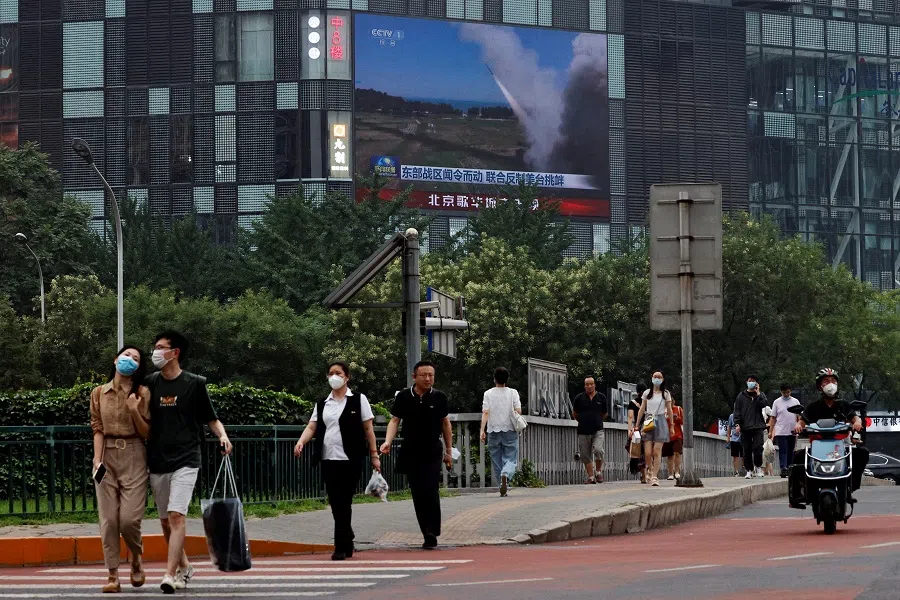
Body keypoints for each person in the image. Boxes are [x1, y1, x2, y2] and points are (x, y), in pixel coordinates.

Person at [145, 331, 233, 594]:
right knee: (164, 521)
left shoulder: (194, 383)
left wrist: (223, 436)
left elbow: (211, 417)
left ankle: (169, 574)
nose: (156, 352)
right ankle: (184, 566)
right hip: (158, 459)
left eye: (161, 348)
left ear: (175, 353)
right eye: (155, 347)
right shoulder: (150, 383)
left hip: (187, 458)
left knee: (176, 515)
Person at [293, 361, 381, 560]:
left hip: (351, 458)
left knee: (345, 500)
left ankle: (340, 546)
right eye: (331, 373)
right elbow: (312, 426)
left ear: (347, 377)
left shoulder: (359, 399)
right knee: (335, 501)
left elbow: (368, 429)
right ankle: (347, 538)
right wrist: (301, 442)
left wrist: (374, 455)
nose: (334, 376)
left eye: (338, 373)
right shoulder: (322, 403)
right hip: (328, 458)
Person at [90, 346, 151, 593]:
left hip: (135, 453)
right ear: (115, 359)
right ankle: (113, 575)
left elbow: (147, 432)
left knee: (128, 520)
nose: (129, 360)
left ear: (138, 367)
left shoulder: (143, 392)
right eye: (126, 356)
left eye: (135, 359)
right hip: (106, 456)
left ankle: (136, 557)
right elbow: (97, 427)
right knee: (108, 520)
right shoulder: (98, 393)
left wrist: (134, 409)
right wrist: (97, 460)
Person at [380, 360, 453, 549]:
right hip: (411, 449)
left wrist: (449, 451)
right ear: (414, 377)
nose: (428, 379)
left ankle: (432, 530)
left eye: (431, 375)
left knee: (430, 489)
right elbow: (395, 421)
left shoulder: (439, 397)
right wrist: (387, 441)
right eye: (424, 375)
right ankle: (426, 531)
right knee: (417, 492)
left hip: (432, 449)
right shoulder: (404, 397)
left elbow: (446, 424)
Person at [789, 368, 868, 508]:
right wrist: (798, 426)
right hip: (818, 446)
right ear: (820, 385)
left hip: (841, 445)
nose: (830, 384)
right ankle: (797, 494)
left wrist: (857, 423)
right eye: (826, 381)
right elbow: (802, 421)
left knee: (862, 453)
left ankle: (850, 486)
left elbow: (855, 418)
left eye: (833, 381)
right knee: (797, 459)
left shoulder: (844, 405)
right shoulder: (813, 407)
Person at [479, 367, 522, 497]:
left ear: (494, 379)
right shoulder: (513, 392)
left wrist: (482, 429)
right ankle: (506, 474)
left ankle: (501, 485)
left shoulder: (488, 393)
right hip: (510, 429)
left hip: (493, 429)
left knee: (496, 459)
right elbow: (518, 410)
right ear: (506, 380)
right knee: (510, 458)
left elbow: (485, 412)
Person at [634, 371, 674, 487]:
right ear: (651, 378)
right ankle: (650, 470)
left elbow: (669, 410)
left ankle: (655, 476)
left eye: (659, 377)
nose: (657, 379)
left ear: (663, 379)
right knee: (647, 452)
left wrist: (671, 425)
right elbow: (642, 408)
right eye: (655, 377)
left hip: (661, 420)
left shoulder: (666, 393)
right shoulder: (647, 393)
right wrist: (637, 425)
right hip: (648, 420)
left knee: (657, 451)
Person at [571, 377, 608, 484]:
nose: (589, 386)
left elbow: (605, 413)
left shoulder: (601, 397)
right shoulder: (579, 398)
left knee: (598, 450)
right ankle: (591, 477)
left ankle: (598, 471)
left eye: (591, 384)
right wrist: (582, 420)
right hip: (583, 430)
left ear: (594, 385)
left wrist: (597, 420)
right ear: (584, 386)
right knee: (585, 454)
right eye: (587, 384)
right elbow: (574, 413)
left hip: (598, 429)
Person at [733, 374, 768, 479]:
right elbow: (737, 411)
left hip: (758, 426)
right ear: (746, 382)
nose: (751, 382)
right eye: (749, 380)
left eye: (753, 381)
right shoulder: (741, 396)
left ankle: (758, 467)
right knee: (746, 450)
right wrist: (737, 424)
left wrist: (758, 394)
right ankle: (749, 470)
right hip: (745, 427)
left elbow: (764, 404)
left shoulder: (760, 395)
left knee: (758, 448)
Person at [769, 384, 800, 478]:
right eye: (784, 392)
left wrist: (798, 426)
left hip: (792, 430)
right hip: (781, 430)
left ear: (790, 391)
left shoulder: (795, 401)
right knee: (783, 450)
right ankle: (783, 468)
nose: (786, 394)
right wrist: (771, 431)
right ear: (781, 392)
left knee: (791, 450)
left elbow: (799, 416)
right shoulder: (777, 402)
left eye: (788, 392)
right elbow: (773, 417)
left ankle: (790, 467)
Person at [626, 384, 648, 483]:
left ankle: (644, 474)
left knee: (638, 453)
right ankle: (647, 473)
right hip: (649, 429)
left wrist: (630, 429)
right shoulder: (649, 402)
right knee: (647, 452)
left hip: (637, 429)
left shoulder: (632, 403)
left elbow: (630, 417)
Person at [662, 395, 684, 481]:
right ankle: (670, 473)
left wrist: (677, 418)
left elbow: (683, 421)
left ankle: (677, 472)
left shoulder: (678, 409)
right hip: (666, 435)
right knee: (669, 455)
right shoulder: (663, 411)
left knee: (677, 453)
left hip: (678, 434)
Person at [726, 412, 743, 476]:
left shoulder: (744, 414)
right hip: (734, 438)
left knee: (744, 455)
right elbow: (729, 427)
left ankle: (747, 469)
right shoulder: (732, 416)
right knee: (735, 456)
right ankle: (736, 471)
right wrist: (728, 438)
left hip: (743, 437)